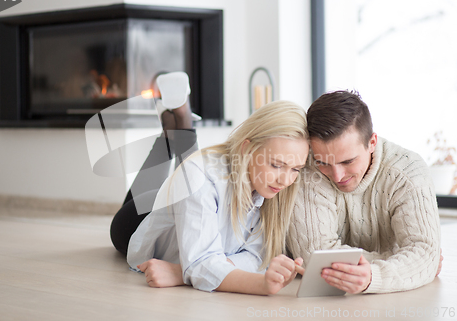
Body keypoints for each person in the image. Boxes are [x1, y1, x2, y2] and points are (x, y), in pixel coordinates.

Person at [110, 98, 309, 295]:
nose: (285, 180)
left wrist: (182, 272)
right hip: (137, 219)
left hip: (182, 199)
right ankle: (174, 128)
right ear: (247, 149)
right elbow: (200, 264)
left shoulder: (274, 188)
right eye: (276, 165)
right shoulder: (201, 176)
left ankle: (169, 129)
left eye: (296, 169)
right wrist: (260, 284)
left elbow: (256, 257)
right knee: (190, 175)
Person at [287, 90, 441, 294]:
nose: (337, 175)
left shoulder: (408, 172)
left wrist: (373, 277)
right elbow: (315, 257)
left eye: (348, 161)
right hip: (316, 299)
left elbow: (425, 253)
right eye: (323, 162)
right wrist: (406, 263)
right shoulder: (308, 169)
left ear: (372, 143)